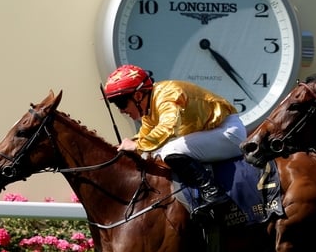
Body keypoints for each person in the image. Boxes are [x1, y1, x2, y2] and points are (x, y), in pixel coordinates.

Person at [103, 64, 247, 215]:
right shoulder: (151, 106)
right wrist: (123, 147)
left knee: (170, 150)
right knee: (159, 151)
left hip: (228, 132)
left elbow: (168, 128)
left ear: (138, 96)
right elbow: (146, 135)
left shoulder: (167, 95)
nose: (121, 110)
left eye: (121, 103)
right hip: (213, 132)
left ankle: (213, 191)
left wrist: (137, 145)